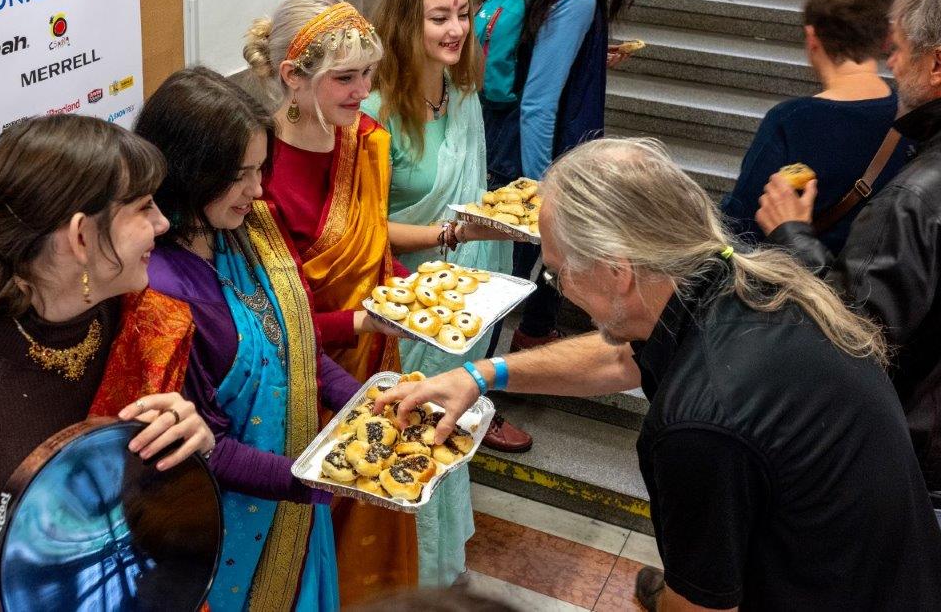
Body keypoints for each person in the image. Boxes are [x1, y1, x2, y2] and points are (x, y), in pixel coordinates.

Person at [376, 136, 941, 610]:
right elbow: (622, 357)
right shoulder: (747, 280)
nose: (563, 291)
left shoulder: (698, 424)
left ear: (617, 271)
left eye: (558, 274)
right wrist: (481, 375)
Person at [0, 115, 215, 610]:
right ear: (80, 237)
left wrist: (193, 446)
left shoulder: (138, 320)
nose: (163, 223)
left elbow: (139, 509)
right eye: (144, 207)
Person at [136, 67, 367, 611]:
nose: (257, 190)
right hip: (227, 526)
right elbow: (201, 449)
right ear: (189, 171)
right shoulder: (161, 290)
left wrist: (369, 401)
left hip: (293, 500)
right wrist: (324, 481)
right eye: (240, 175)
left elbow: (297, 349)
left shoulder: (246, 230)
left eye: (261, 170)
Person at [243, 0, 422, 604]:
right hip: (305, 386)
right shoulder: (260, 173)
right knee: (311, 542)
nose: (363, 91)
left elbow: (371, 253)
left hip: (378, 362)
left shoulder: (365, 139)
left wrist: (410, 288)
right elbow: (272, 321)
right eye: (345, 78)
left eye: (368, 74)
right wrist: (365, 321)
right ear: (293, 77)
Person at [757, 0, 941, 505]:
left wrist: (793, 232)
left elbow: (856, 331)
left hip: (915, 451)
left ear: (936, 64)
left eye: (899, 50)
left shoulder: (915, 198)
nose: (892, 65)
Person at [362, 0, 513, 586]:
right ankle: (410, 576)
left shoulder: (463, 92)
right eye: (439, 17)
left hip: (465, 298)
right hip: (408, 303)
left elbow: (471, 192)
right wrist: (451, 234)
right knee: (408, 433)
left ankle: (444, 563)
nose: (456, 29)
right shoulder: (376, 109)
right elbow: (365, 226)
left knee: (450, 430)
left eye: (463, 14)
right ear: (407, 23)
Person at [477, 0, 638, 353]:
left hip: (502, 145)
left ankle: (526, 336)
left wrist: (588, 57)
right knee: (497, 290)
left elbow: (532, 57)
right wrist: (538, 188)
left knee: (497, 282)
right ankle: (475, 379)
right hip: (527, 159)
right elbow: (538, 104)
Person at [722, 0, 910, 254]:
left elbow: (740, 222)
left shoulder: (792, 119)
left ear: (812, 37)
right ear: (885, 40)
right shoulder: (912, 117)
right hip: (875, 275)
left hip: (802, 273)